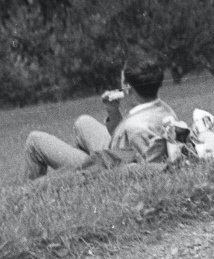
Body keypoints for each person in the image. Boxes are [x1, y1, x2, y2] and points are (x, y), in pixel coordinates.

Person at [23, 59, 179, 180]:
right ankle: (71, 169)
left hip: (105, 166)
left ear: (129, 88)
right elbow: (123, 147)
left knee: (34, 141)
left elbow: (123, 160)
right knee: (83, 122)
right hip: (120, 153)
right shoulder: (165, 109)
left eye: (122, 81)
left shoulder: (133, 128)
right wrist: (113, 110)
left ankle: (29, 195)